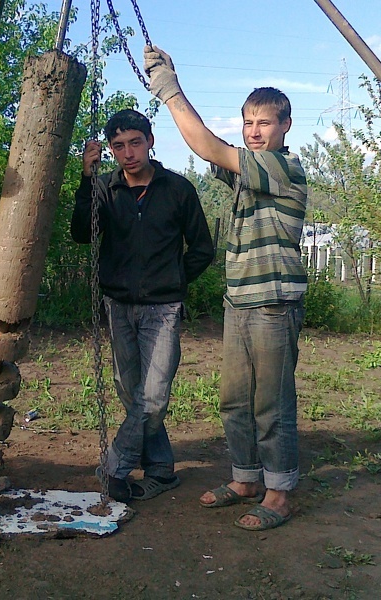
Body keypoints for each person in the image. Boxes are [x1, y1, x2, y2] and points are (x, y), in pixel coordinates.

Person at [144, 47, 307, 530]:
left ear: (285, 127)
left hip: (274, 303)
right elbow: (208, 145)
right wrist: (170, 86)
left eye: (265, 123)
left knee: (271, 401)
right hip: (239, 299)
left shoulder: (284, 168)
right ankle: (245, 479)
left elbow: (208, 148)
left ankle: (279, 493)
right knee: (234, 398)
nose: (255, 132)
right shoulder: (247, 173)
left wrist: (170, 88)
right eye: (248, 123)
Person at [71, 109, 215, 502]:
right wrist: (86, 178)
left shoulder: (177, 189)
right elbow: (81, 233)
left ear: (150, 141)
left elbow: (203, 248)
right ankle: (162, 470)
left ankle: (114, 467)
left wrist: (173, 278)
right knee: (131, 390)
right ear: (110, 151)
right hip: (118, 304)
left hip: (163, 307)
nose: (128, 152)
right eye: (118, 146)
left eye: (135, 142)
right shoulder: (104, 188)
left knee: (153, 396)